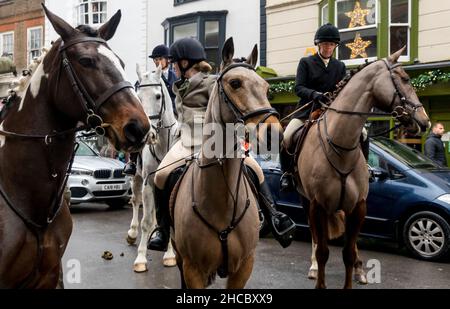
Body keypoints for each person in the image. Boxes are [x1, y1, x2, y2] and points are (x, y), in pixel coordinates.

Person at [147, 37, 296, 252]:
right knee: (161, 173)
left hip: (216, 138)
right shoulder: (178, 85)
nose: (172, 67)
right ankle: (162, 229)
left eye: (174, 63)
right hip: (188, 140)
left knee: (255, 169)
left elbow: (224, 109)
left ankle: (275, 216)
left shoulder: (211, 81)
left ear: (185, 62)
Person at [280, 23, 369, 188]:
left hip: (333, 110)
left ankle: (365, 168)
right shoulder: (306, 62)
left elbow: (343, 90)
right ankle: (287, 173)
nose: (328, 47)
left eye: (332, 44)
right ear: (318, 44)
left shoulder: (339, 66)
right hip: (308, 109)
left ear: (335, 46)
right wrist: (315, 94)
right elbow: (298, 88)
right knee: (287, 137)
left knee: (363, 133)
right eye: (325, 44)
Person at [123, 45, 178, 176]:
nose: (157, 62)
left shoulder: (175, 78)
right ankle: (133, 161)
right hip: (154, 113)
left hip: (174, 112)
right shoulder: (149, 78)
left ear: (167, 60)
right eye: (155, 60)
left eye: (160, 59)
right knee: (139, 131)